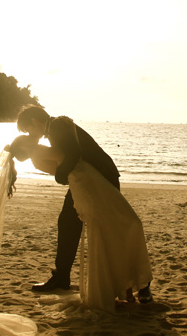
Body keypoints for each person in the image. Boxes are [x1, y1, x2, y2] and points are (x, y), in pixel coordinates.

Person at [15, 104, 153, 303]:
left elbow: (72, 154)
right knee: (69, 223)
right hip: (87, 182)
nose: (31, 134)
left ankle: (141, 285)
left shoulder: (56, 126)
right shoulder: (57, 125)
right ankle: (61, 277)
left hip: (100, 180)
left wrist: (60, 177)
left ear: (35, 121)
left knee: (118, 228)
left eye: (29, 129)